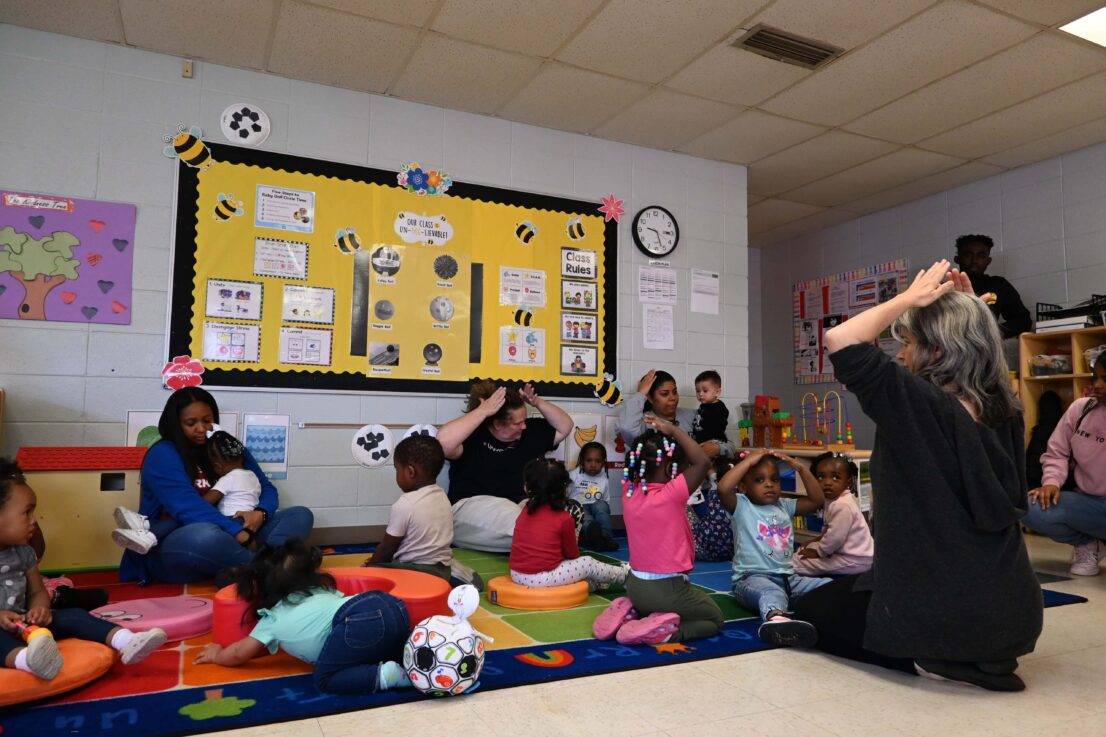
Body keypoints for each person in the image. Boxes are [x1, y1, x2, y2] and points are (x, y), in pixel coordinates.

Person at [792, 260, 1041, 692]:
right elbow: (980, 355)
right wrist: (969, 312)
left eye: (906, 342)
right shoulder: (1005, 407)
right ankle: (980, 657)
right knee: (854, 590)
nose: (901, 355)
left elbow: (841, 338)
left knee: (811, 611)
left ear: (938, 350)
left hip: (946, 617)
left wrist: (908, 299)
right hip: (1013, 615)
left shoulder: (918, 405)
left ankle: (930, 659)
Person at [116, 387, 314, 584]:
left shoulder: (224, 447)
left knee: (300, 514)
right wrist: (238, 534)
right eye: (191, 423)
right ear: (175, 424)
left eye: (207, 420)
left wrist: (260, 513)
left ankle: (252, 568)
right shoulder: (163, 454)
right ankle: (276, 570)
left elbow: (267, 488)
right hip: (177, 542)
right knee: (204, 536)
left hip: (234, 530)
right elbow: (187, 507)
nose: (201, 429)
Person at [0, 459, 166, 680]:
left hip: (25, 625)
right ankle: (27, 660)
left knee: (75, 616)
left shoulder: (24, 553)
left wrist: (40, 608)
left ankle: (126, 640)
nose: (34, 521)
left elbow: (37, 592)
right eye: (27, 513)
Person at [193, 538, 413, 695]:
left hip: (356, 619)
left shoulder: (272, 617)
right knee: (384, 645)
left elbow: (239, 653)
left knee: (326, 680)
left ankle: (388, 675)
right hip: (390, 606)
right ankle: (414, 652)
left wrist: (217, 655)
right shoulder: (322, 592)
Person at [593, 417, 723, 645]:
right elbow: (702, 462)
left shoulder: (629, 490)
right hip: (667, 590)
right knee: (713, 619)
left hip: (634, 586)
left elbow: (638, 458)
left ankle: (633, 610)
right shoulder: (672, 494)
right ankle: (668, 633)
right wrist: (673, 429)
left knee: (665, 606)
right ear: (667, 468)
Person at [438, 381, 573, 554]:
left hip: (519, 505)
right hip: (471, 507)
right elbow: (443, 443)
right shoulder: (474, 435)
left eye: (524, 420)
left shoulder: (529, 432)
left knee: (549, 512)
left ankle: (549, 539)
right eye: (517, 423)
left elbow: (565, 426)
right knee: (516, 518)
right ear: (497, 424)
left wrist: (537, 402)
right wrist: (482, 411)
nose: (524, 426)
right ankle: (551, 539)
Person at [717, 449, 829, 646]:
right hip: (751, 579)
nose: (769, 484)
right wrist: (749, 461)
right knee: (771, 593)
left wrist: (801, 468)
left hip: (789, 579)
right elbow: (723, 488)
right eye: (759, 480)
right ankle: (777, 622)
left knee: (827, 585)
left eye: (775, 480)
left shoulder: (784, 506)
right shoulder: (741, 506)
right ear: (743, 487)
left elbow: (816, 500)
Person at [113, 429, 263, 555]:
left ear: (217, 466)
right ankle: (144, 527)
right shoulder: (253, 476)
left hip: (231, 520)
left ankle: (150, 533)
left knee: (184, 515)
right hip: (247, 521)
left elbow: (204, 503)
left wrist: (188, 504)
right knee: (187, 514)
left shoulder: (229, 478)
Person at [1023, 354, 1106, 576]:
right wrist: (1051, 482)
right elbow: (1056, 452)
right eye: (1095, 377)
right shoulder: (1080, 409)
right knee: (1028, 505)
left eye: (1105, 379)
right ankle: (1087, 545)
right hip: (1089, 503)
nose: (1097, 385)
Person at [509, 459, 627, 591]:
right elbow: (572, 555)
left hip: (516, 574)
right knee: (587, 563)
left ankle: (594, 585)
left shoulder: (525, 510)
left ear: (526, 487)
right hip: (541, 578)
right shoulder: (564, 518)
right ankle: (626, 576)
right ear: (565, 490)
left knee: (571, 569)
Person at [362, 435, 454, 583]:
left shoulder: (406, 503)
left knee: (372, 567)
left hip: (415, 573)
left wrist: (371, 567)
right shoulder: (442, 496)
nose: (397, 475)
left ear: (410, 472)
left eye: (397, 469)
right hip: (443, 571)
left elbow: (387, 548)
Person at [618, 370, 734, 460]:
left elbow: (729, 445)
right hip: (661, 487)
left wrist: (718, 449)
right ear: (650, 398)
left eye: (675, 392)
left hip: (698, 485)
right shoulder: (645, 421)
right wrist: (640, 394)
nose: (672, 398)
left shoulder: (696, 415)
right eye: (664, 394)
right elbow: (626, 428)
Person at [954, 234, 1032, 367]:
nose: (974, 260)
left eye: (981, 255)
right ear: (957, 259)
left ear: (988, 261)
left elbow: (1023, 320)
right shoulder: (947, 287)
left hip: (987, 353)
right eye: (968, 255)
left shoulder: (998, 285)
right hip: (953, 352)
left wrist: (994, 332)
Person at [793, 452, 874, 577]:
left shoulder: (842, 506)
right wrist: (815, 541)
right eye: (820, 477)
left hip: (855, 560)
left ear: (847, 482)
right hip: (850, 552)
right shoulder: (832, 500)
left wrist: (819, 553)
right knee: (807, 548)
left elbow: (835, 538)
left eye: (835, 477)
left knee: (799, 562)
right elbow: (830, 531)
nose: (827, 483)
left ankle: (793, 574)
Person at [569, 442, 618, 552]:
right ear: (582, 461)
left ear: (603, 463)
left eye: (598, 461)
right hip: (580, 507)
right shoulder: (573, 475)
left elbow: (606, 498)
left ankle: (607, 537)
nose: (593, 464)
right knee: (587, 518)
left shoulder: (604, 478)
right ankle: (593, 536)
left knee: (601, 506)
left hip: (596, 506)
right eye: (589, 461)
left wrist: (606, 509)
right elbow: (567, 496)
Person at [687, 457, 736, 563]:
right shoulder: (743, 498)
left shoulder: (714, 493)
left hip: (704, 551)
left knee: (683, 508)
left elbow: (712, 475)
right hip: (732, 553)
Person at [692, 370, 729, 446]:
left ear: (717, 392)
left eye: (705, 391)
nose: (701, 394)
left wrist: (711, 441)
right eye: (698, 391)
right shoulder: (704, 405)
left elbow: (720, 427)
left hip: (714, 443)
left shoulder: (719, 408)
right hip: (700, 442)